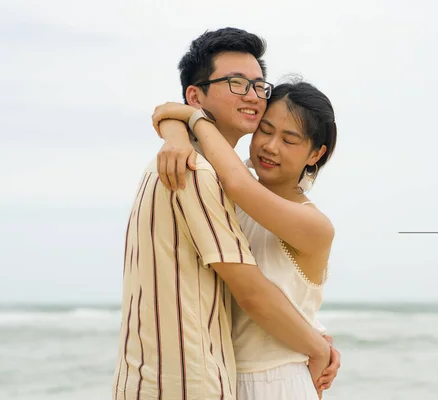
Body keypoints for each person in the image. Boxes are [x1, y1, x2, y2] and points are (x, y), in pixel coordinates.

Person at [112, 28, 338, 400]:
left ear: (316, 154)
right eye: (236, 83)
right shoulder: (202, 173)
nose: (270, 145)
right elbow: (248, 291)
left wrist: (182, 119)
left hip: (274, 379)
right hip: (220, 376)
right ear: (196, 94)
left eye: (257, 86)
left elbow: (257, 291)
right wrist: (177, 127)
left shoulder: (306, 220)